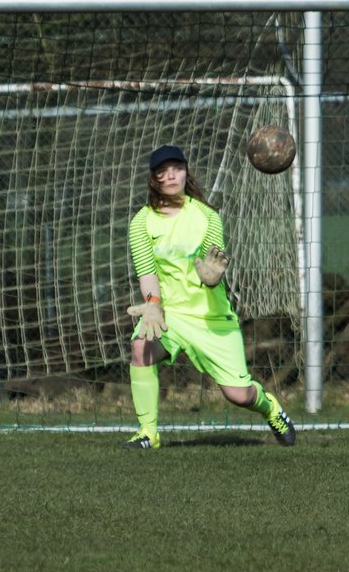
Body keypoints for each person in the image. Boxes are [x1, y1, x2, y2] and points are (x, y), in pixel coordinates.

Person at [122, 144, 296, 449]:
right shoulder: (141, 222)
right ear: (154, 178)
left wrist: (212, 278)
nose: (171, 174)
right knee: (140, 349)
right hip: (171, 315)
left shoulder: (206, 216)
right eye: (163, 170)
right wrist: (152, 305)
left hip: (211, 320)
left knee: (238, 395)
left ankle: (269, 407)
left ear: (186, 172)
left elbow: (213, 265)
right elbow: (147, 271)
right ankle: (148, 432)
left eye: (177, 167)